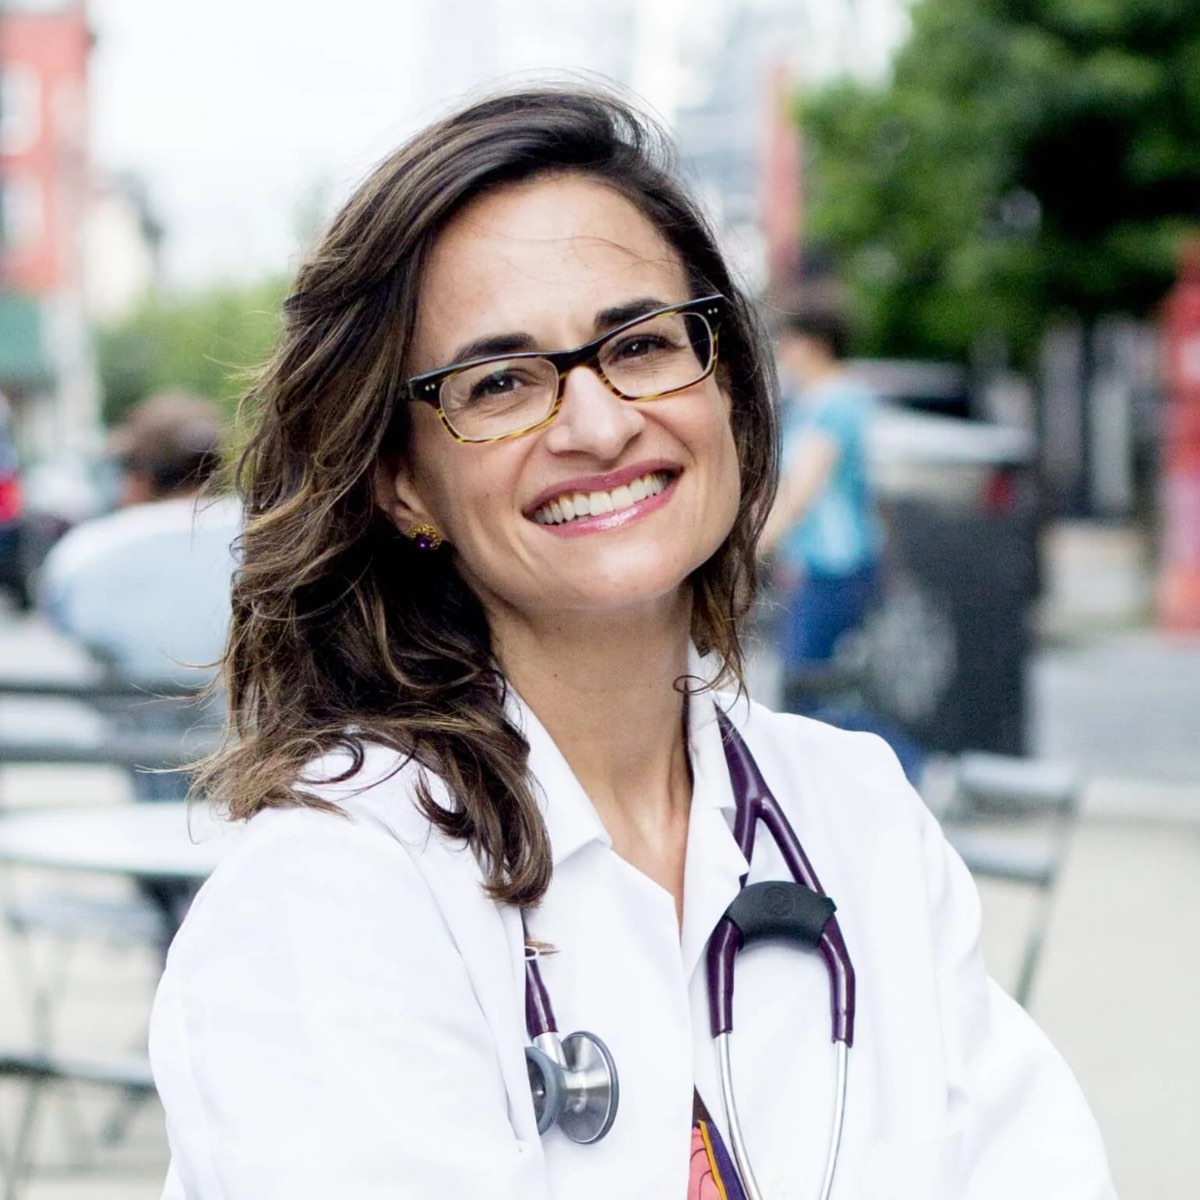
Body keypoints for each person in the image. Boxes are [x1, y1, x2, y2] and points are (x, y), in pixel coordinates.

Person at [148, 86, 1115, 1199]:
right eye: (501, 381)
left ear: (728, 388)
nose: (600, 423)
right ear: (403, 482)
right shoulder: (330, 887)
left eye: (643, 344)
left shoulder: (857, 818)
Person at [39, 390, 240, 694]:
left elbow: (66, 638)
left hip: (130, 736)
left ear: (139, 478)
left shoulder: (86, 551)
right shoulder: (273, 535)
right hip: (257, 733)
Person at [758, 301, 884, 709]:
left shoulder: (835, 403)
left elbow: (802, 491)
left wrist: (753, 550)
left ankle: (905, 764)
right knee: (817, 682)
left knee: (810, 685)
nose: (782, 351)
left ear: (816, 345)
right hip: (821, 561)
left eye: (789, 341)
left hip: (833, 561)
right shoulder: (817, 402)